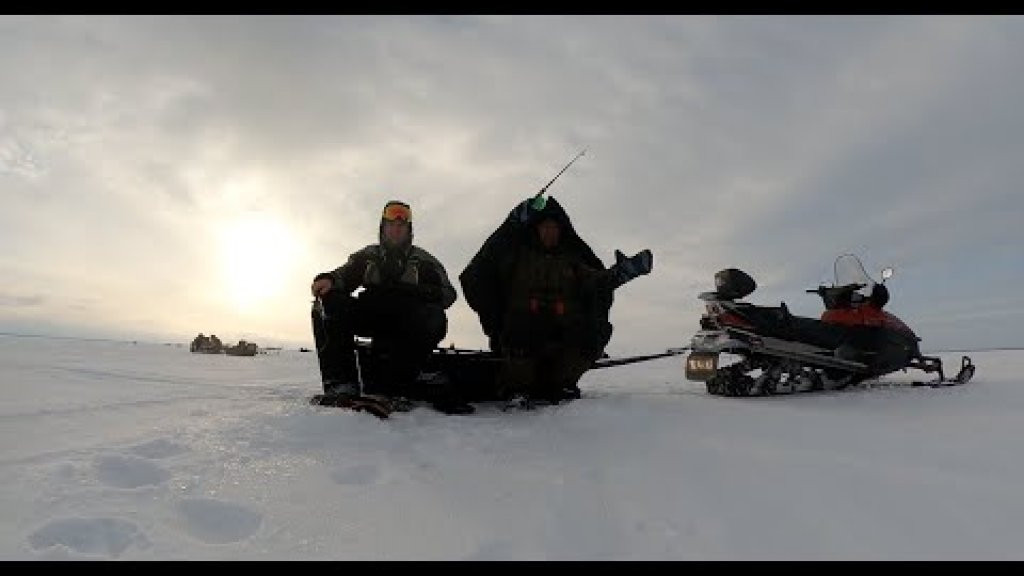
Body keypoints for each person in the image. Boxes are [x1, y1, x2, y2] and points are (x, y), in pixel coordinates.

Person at [459, 195, 653, 406]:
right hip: (521, 334)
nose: (550, 232)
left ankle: (563, 384)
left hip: (562, 330)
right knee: (520, 327)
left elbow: (596, 282)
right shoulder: (515, 257)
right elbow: (482, 271)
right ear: (536, 229)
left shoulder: (573, 259)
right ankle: (517, 389)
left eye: (554, 228)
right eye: (545, 227)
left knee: (591, 332)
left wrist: (621, 273)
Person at [309, 200, 467, 412]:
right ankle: (341, 385)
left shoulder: (424, 261)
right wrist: (327, 279)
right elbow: (343, 276)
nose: (395, 229)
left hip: (407, 323)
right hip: (370, 314)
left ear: (408, 230)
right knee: (325, 305)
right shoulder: (368, 256)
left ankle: (398, 386)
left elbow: (448, 295)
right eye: (390, 225)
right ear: (382, 228)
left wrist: (416, 292)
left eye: (401, 226)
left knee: (433, 317)